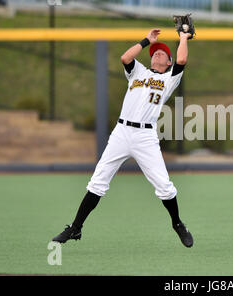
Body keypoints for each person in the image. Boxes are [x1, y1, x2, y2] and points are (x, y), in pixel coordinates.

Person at [52, 28, 194, 247]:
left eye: (162, 53)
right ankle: (75, 228)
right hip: (121, 132)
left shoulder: (169, 78)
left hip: (145, 136)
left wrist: (183, 37)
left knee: (164, 186)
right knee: (98, 181)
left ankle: (177, 224)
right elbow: (125, 57)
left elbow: (182, 58)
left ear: (169, 61)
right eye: (155, 52)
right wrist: (147, 40)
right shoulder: (138, 72)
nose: (157, 54)